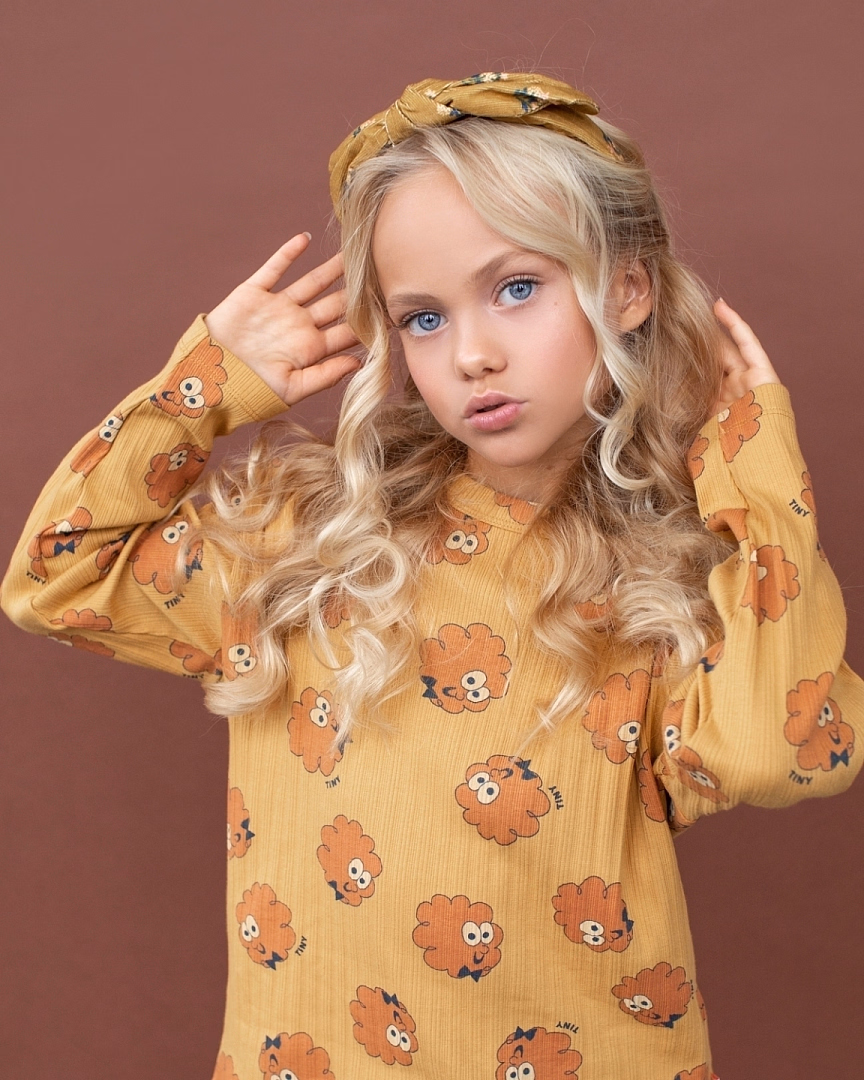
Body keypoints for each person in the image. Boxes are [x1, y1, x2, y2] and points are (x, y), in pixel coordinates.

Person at [2, 72, 861, 1080]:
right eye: (422, 318)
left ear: (626, 288)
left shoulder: (673, 578)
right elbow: (54, 578)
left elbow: (773, 754)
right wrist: (202, 387)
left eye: (517, 288)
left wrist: (757, 483)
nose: (472, 355)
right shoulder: (309, 541)